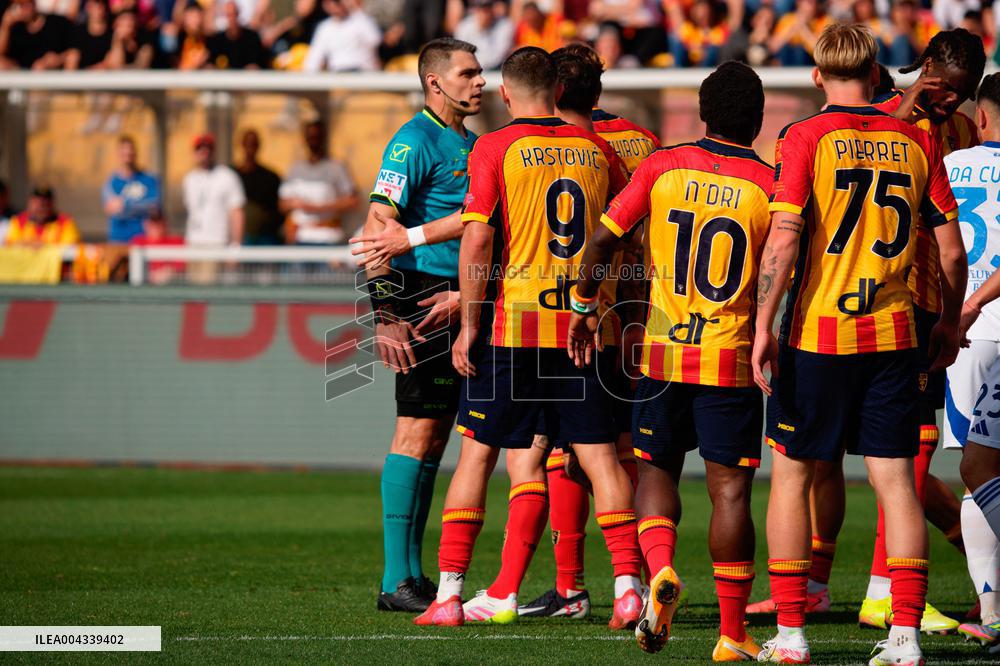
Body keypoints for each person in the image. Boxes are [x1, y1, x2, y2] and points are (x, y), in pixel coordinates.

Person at [751, 23, 965, 665]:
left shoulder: (804, 136)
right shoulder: (915, 139)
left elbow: (785, 236)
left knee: (790, 478)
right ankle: (904, 637)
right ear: (877, 75)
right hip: (896, 332)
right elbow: (950, 251)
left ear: (818, 76)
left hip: (818, 334)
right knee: (897, 483)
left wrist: (763, 324)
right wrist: (949, 322)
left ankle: (790, 635)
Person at [413, 46, 640, 629]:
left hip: (514, 328)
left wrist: (469, 323)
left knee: (478, 454)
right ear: (559, 93)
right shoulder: (596, 150)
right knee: (600, 460)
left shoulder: (495, 146)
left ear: (509, 94)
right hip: (579, 330)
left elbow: (479, 240)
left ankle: (449, 594)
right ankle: (626, 589)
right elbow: (622, 233)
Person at [570, 60, 771, 661]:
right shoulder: (770, 181)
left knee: (655, 474)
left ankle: (660, 569)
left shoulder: (662, 165)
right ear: (759, 120)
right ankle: (733, 634)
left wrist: (584, 300)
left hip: (661, 354)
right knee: (730, 494)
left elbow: (603, 237)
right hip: (729, 358)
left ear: (703, 113)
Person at [518, 42, 660, 622]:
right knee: (623, 450)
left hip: (560, 313)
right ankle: (644, 578)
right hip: (637, 314)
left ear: (552, 88)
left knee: (553, 449)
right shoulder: (638, 143)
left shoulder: (538, 145)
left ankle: (571, 583)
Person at [351, 37, 484, 613]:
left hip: (458, 298)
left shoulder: (471, 144)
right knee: (414, 431)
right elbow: (376, 224)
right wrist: (385, 315)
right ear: (436, 82)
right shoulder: (412, 142)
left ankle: (412, 576)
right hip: (420, 297)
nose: (479, 82)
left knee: (434, 437)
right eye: (469, 73)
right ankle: (394, 579)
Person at [940, 73, 1000, 646]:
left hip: (970, 332)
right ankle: (992, 615)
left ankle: (992, 610)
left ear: (980, 116)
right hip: (981, 323)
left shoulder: (950, 167)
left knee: (976, 474)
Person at [279, 120, 358, 246]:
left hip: (328, 237)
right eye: (310, 137)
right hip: (300, 237)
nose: (313, 141)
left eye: (317, 137)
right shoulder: (295, 169)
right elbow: (282, 204)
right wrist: (295, 204)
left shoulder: (337, 167)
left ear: (323, 138)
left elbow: (353, 201)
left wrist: (319, 207)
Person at [182, 134, 245, 247]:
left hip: (217, 242)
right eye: (199, 149)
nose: (204, 153)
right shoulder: (189, 179)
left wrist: (236, 245)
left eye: (208, 148)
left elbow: (236, 212)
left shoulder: (227, 176)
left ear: (214, 151)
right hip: (193, 241)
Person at [103, 135, 161, 243]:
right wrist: (139, 206)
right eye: (124, 152)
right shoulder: (111, 181)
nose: (128, 155)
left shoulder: (149, 180)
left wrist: (125, 205)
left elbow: (154, 205)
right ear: (118, 154)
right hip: (118, 239)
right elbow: (111, 209)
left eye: (130, 151)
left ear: (135, 153)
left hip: (143, 239)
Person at [302, 0, 381, 72]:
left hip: (364, 75)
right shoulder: (324, 27)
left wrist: (355, 10)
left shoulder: (361, 20)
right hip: (338, 76)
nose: (340, 5)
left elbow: (375, 40)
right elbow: (314, 59)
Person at [235, 128, 283, 245]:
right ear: (242, 145)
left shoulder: (271, 177)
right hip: (242, 237)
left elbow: (279, 208)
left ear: (258, 146)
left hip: (266, 238)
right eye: (247, 143)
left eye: (253, 144)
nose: (250, 147)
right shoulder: (233, 176)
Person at [0, 0, 74, 70]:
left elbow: (73, 52)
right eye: (18, 5)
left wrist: (57, 59)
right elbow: (2, 54)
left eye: (26, 3)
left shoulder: (57, 23)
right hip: (21, 74)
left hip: (50, 74)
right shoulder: (15, 27)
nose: (23, 8)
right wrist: (5, 26)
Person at [5, 186, 80, 246]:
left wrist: (41, 246)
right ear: (29, 203)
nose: (42, 207)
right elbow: (10, 245)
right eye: (37, 203)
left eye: (46, 203)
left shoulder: (65, 222)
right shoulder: (18, 221)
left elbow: (71, 246)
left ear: (53, 204)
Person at [207, 0, 269, 69]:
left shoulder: (252, 38)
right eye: (229, 15)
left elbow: (256, 65)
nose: (232, 18)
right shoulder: (217, 41)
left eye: (234, 14)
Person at [453, 0, 513, 71]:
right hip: (471, 70)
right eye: (480, 6)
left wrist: (484, 30)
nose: (484, 11)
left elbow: (498, 57)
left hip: (496, 71)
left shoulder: (505, 25)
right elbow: (461, 53)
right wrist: (481, 29)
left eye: (487, 6)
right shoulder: (464, 26)